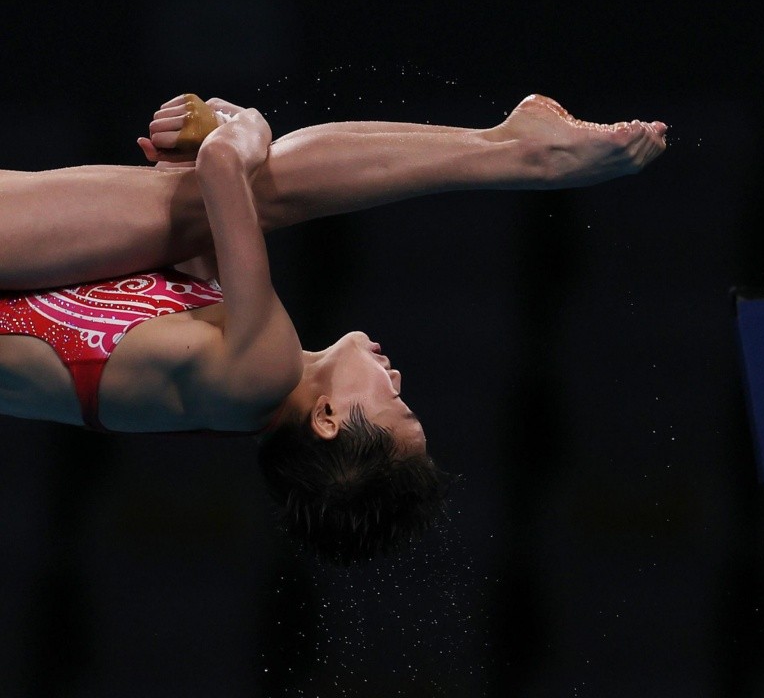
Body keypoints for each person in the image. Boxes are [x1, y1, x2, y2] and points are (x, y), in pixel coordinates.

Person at [0, 93, 668, 563]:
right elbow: (195, 209)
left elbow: (227, 170)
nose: (399, 378)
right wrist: (194, 156)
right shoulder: (234, 390)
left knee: (264, 189)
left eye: (395, 401)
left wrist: (240, 124)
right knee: (214, 203)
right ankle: (512, 150)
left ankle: (518, 155)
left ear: (326, 418)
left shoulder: (266, 371)